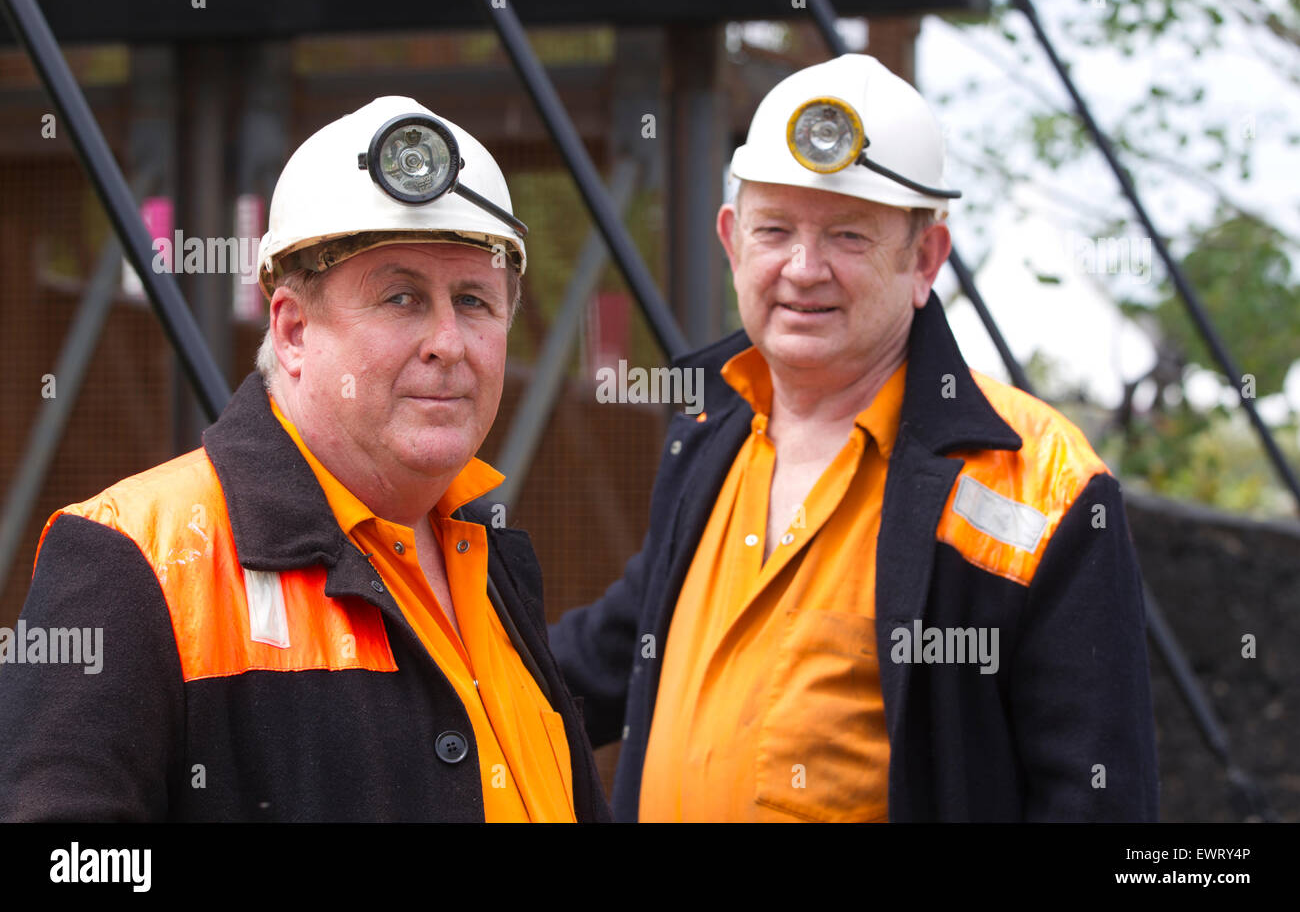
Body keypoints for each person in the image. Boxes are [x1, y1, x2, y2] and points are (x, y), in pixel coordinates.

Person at [550, 54, 1159, 822]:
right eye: (776, 230)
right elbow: (610, 658)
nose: (804, 269)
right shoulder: (708, 430)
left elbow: (1098, 799)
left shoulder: (1041, 484)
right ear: (735, 243)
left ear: (924, 260)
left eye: (848, 235)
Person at [0, 96, 609, 822]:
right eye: (402, 298)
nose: (448, 341)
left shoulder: (489, 559)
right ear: (291, 331)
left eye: (474, 300)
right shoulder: (136, 559)